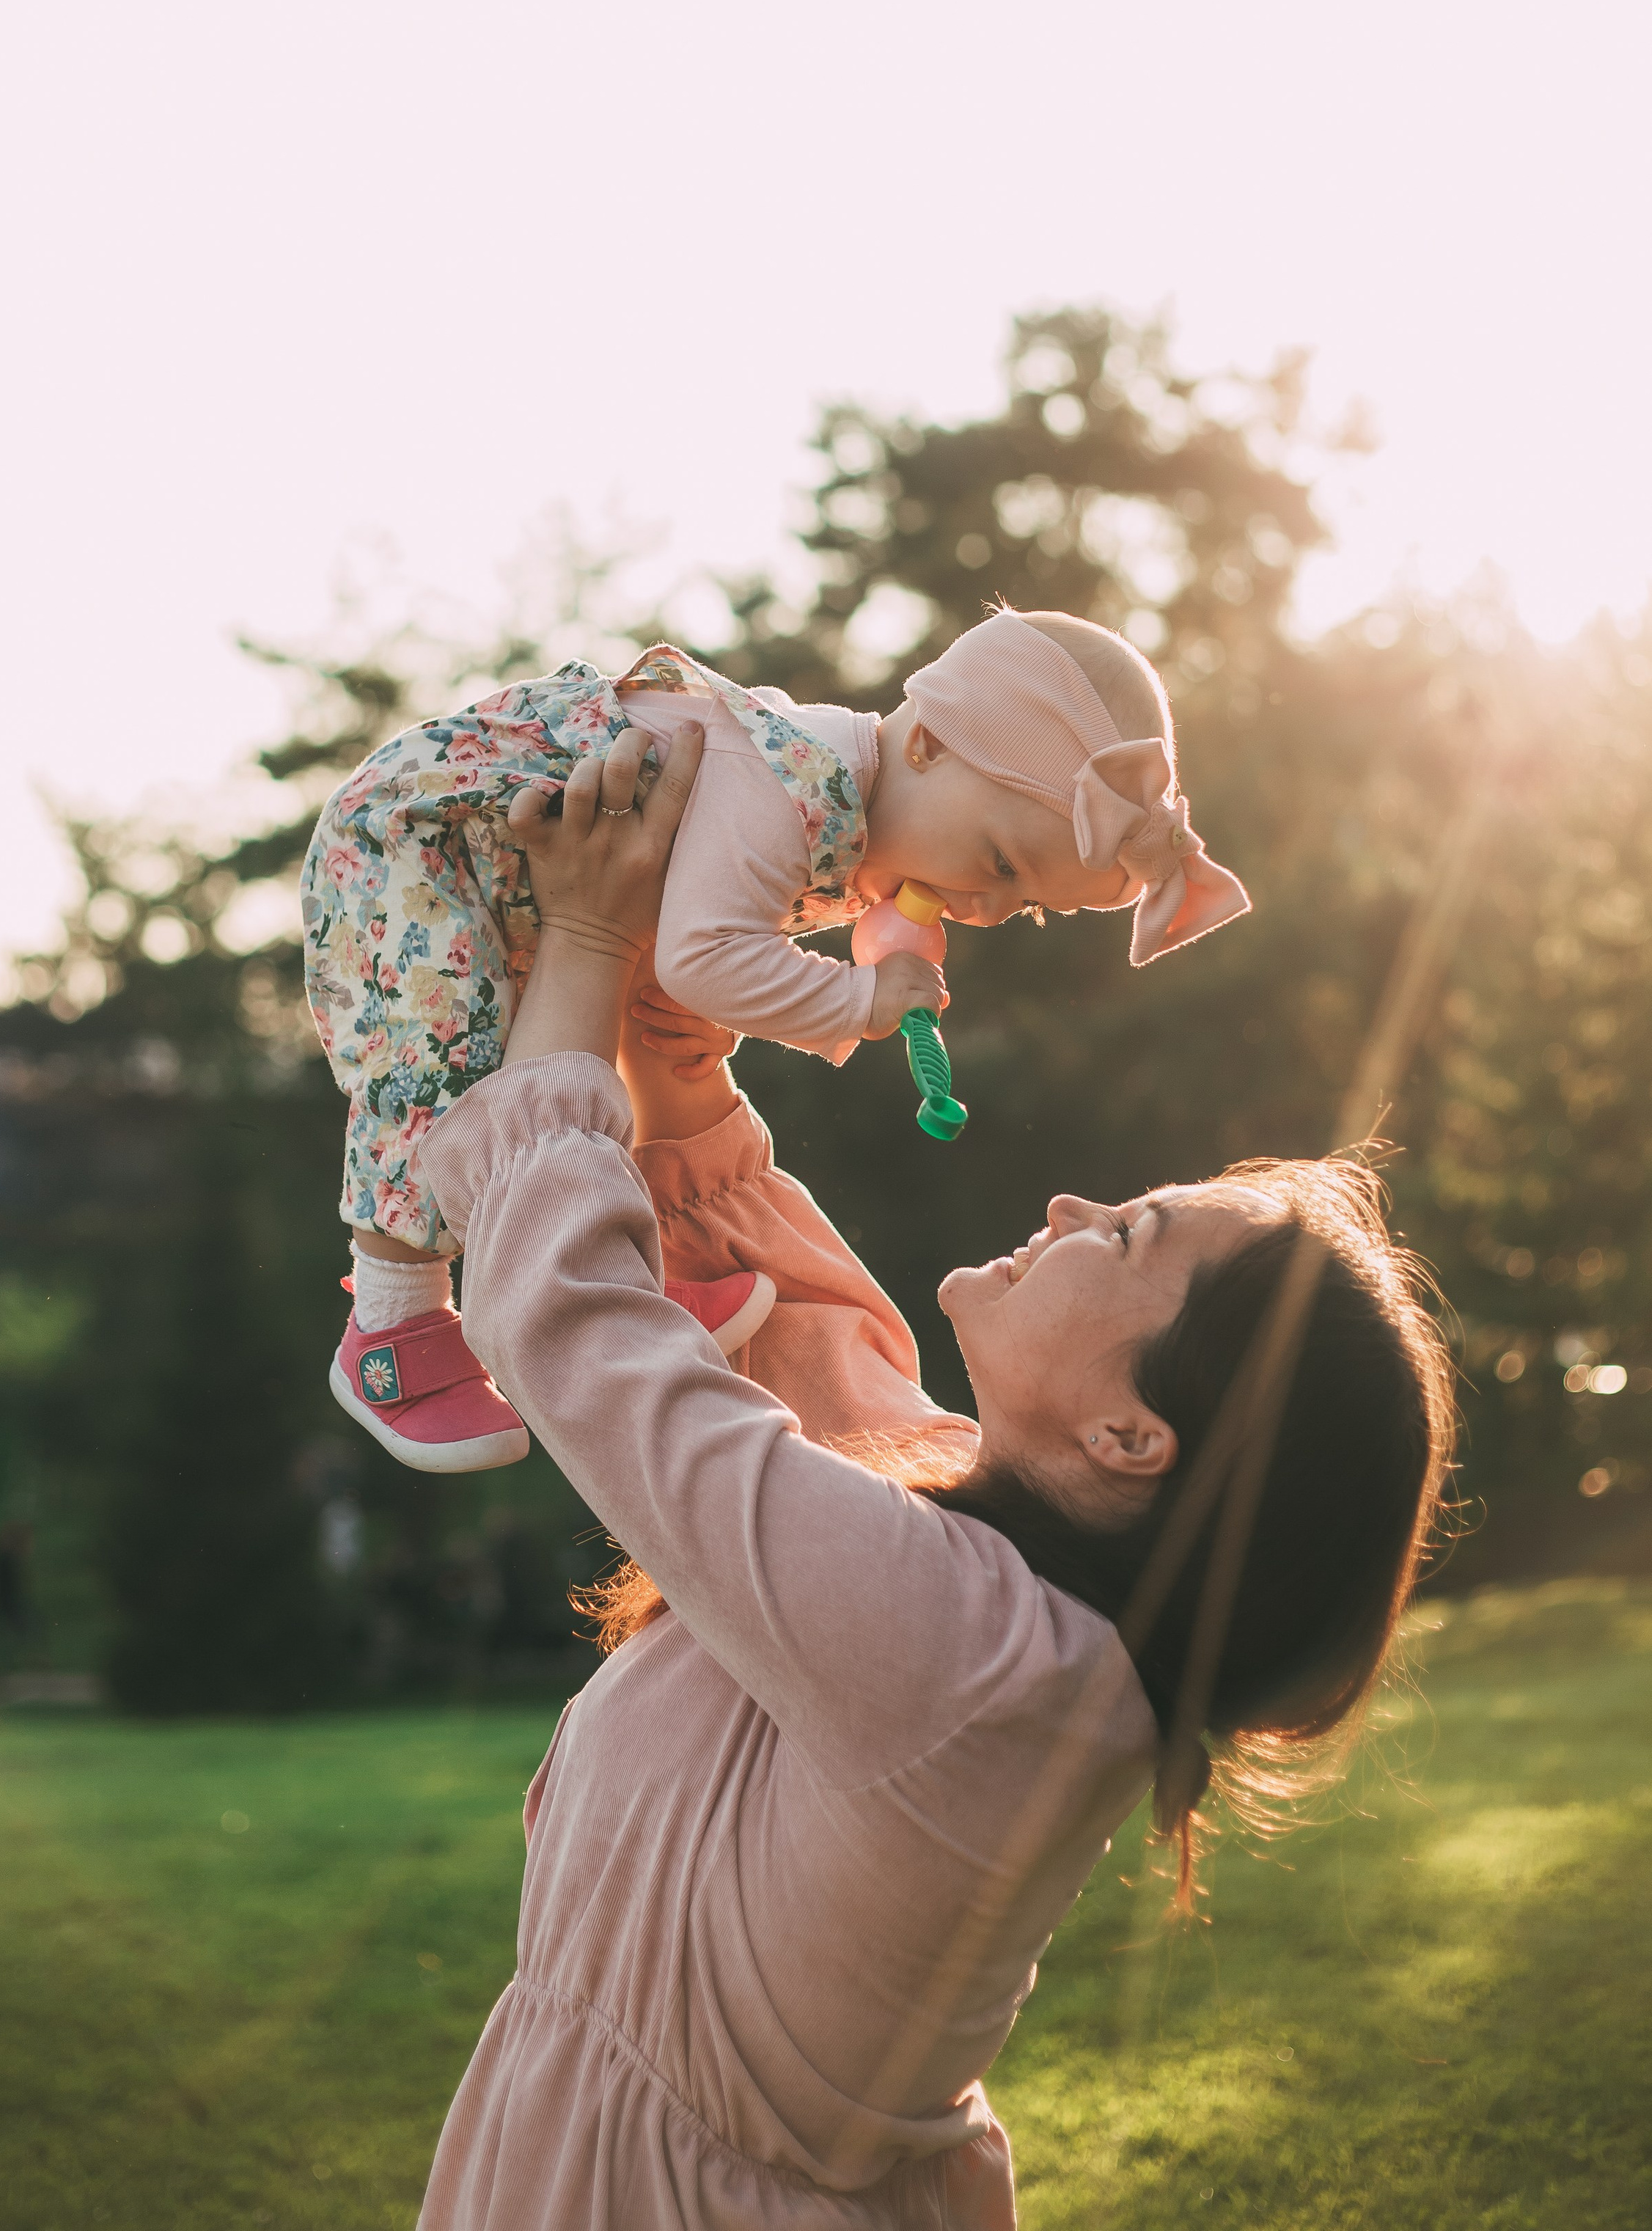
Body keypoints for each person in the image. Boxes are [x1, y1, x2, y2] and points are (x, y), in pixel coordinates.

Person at [408, 722, 1453, 2229]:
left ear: (1129, 1437)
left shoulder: (972, 1656)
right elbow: (797, 1333)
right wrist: (669, 1017)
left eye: (1123, 1238)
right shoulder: (977, 1539)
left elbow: (584, 1340)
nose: (1068, 1201)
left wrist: (580, 934)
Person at [304, 608, 1249, 1470]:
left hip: (524, 879)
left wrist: (709, 995)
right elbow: (706, 952)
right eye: (999, 862)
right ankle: (392, 1325)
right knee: (445, 1062)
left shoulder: (842, 812)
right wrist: (859, 1001)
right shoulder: (788, 786)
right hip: (419, 846)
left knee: (600, 1058)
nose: (992, 908)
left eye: (1025, 901)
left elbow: (693, 947)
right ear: (924, 742)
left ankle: (632, 1277)